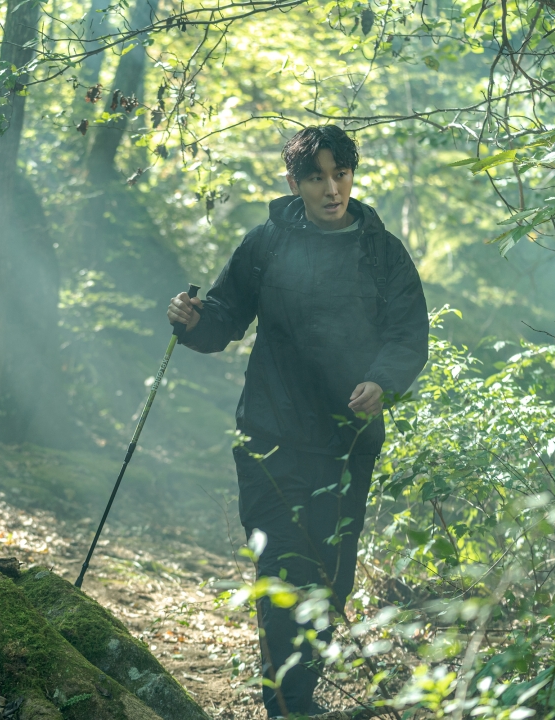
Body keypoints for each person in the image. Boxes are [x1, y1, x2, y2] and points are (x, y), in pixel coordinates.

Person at [167, 125, 428, 717]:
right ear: (295, 181)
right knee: (283, 569)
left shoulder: (381, 251)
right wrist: (190, 318)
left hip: (346, 442)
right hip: (271, 438)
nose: (332, 188)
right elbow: (223, 318)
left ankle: (300, 691)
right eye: (317, 176)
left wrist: (383, 380)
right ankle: (289, 706)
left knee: (329, 578)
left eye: (341, 173)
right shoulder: (266, 244)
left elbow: (409, 332)